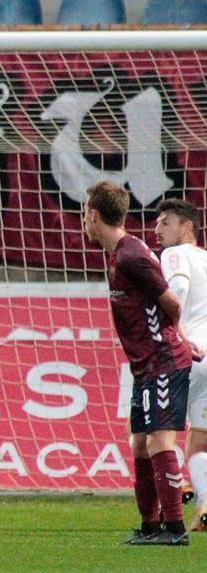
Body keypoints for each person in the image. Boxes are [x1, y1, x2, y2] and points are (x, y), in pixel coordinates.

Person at [83, 181, 196, 546]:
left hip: (163, 360)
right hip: (145, 365)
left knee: (160, 441)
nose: (84, 220)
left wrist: (176, 336)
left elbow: (172, 303)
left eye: (85, 212)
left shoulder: (131, 256)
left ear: (95, 215)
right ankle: (150, 525)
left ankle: (175, 529)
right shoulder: (121, 254)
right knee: (138, 444)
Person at [155, 197, 207, 532]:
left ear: (187, 227)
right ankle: (205, 508)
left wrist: (178, 333)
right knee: (199, 442)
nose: (157, 230)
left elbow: (178, 289)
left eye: (166, 223)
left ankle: (181, 489)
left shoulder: (174, 255)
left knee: (149, 431)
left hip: (185, 353)